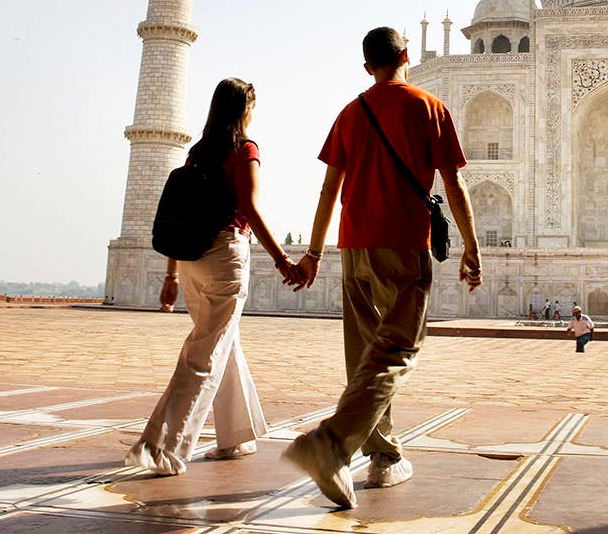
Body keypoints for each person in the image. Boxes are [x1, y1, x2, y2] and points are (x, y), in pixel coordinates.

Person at [282, 27, 481, 509]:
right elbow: (452, 185)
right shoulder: (428, 107)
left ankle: (384, 454)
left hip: (354, 246)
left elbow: (328, 191)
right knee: (397, 350)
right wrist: (472, 246)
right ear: (407, 55)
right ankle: (331, 445)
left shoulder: (350, 113)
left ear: (367, 67)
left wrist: (313, 252)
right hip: (402, 243)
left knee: (366, 353)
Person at [126, 78, 297, 476]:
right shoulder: (245, 149)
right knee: (204, 354)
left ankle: (237, 435)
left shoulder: (197, 153)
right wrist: (283, 259)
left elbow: (180, 212)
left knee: (222, 344)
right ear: (245, 110)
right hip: (224, 255)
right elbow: (250, 208)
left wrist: (170, 274)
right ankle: (163, 447)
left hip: (190, 260)